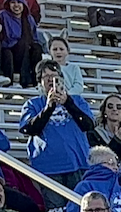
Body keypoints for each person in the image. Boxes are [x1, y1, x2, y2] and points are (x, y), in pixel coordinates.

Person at [17, 62, 99, 190]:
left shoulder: (77, 100)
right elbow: (29, 129)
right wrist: (49, 107)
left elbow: (88, 125)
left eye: (54, 76)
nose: (51, 80)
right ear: (40, 81)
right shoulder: (33, 104)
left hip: (78, 164)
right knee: (55, 209)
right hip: (48, 167)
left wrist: (68, 103)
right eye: (46, 77)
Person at [0, 0, 39, 85]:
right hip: (8, 49)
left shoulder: (29, 19)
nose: (16, 5)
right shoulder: (3, 15)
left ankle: (36, 82)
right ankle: (21, 82)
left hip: (25, 51)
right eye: (13, 2)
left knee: (36, 48)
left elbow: (35, 38)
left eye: (19, 2)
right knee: (18, 47)